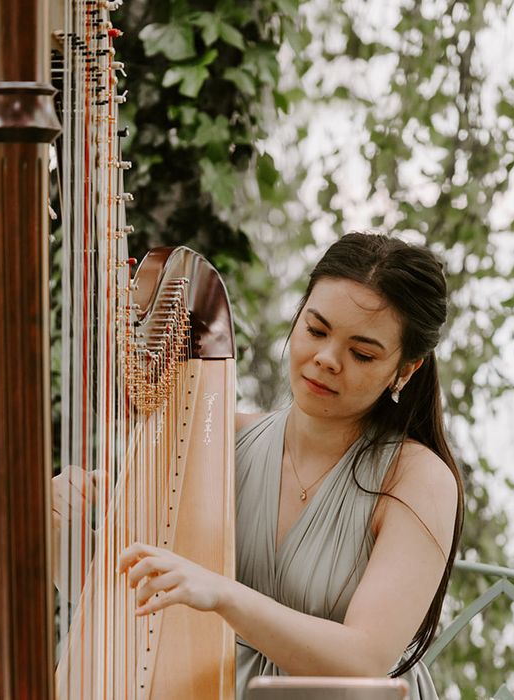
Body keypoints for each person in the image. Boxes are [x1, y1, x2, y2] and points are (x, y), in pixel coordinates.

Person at [117, 231, 465, 699]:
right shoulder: (221, 443)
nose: (326, 359)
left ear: (405, 370)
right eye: (316, 330)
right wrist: (70, 531)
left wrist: (223, 594)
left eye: (361, 353)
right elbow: (135, 603)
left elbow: (363, 660)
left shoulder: (417, 480)